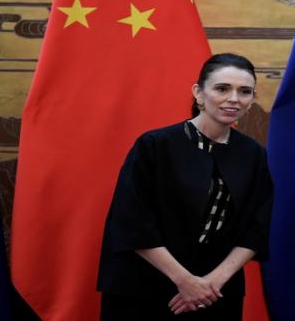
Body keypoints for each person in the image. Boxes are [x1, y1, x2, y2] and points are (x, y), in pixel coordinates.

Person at [97, 53, 273, 320]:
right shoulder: (155, 145)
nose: (234, 99)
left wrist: (211, 284)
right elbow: (132, 222)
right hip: (146, 287)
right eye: (222, 88)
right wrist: (185, 281)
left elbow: (256, 229)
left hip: (217, 292)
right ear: (198, 93)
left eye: (245, 91)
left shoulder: (253, 154)